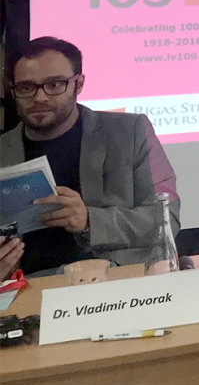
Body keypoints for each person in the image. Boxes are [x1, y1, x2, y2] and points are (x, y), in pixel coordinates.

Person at [1, 37, 180, 279]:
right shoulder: (4, 150)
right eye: (26, 87)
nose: (40, 97)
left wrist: (89, 221)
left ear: (79, 84)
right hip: (28, 286)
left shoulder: (129, 133)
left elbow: (166, 219)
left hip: (113, 280)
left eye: (54, 84)